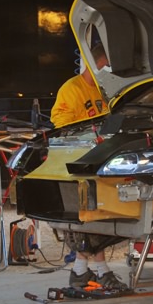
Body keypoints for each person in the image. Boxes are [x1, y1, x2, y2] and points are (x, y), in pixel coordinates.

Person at [50, 43, 127, 290]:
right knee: (90, 216)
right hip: (81, 161)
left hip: (100, 160)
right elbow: (61, 125)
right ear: (94, 64)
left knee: (99, 215)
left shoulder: (105, 91)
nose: (108, 69)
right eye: (105, 65)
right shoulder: (71, 89)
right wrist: (85, 136)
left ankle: (82, 271)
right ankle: (95, 271)